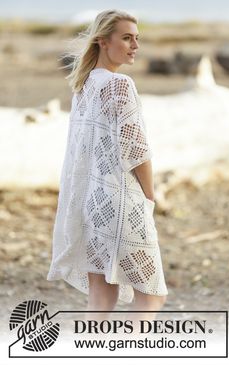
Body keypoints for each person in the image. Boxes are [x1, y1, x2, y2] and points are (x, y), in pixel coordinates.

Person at [47, 9, 168, 326]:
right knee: (152, 294)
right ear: (103, 41)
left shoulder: (83, 86)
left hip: (91, 202)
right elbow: (137, 151)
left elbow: (79, 153)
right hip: (121, 200)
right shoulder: (120, 85)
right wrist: (151, 195)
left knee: (102, 293)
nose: (135, 46)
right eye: (127, 38)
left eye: (137, 39)